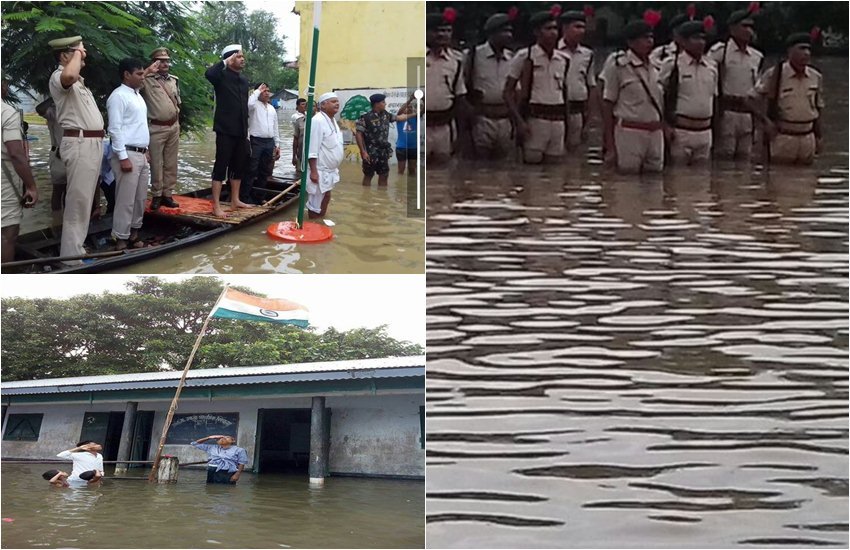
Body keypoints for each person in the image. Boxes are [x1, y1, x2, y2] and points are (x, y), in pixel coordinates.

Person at [47, 35, 105, 265]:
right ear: (64, 56)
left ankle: (75, 249)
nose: (84, 55)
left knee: (84, 200)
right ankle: (71, 258)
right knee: (78, 202)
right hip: (80, 143)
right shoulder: (59, 77)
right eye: (79, 52)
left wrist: (78, 52)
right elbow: (68, 75)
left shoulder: (79, 83)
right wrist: (77, 52)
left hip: (90, 144)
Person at [504, 7, 570, 164]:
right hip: (534, 119)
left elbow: (565, 92)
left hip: (558, 120)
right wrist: (519, 121)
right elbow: (508, 92)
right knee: (532, 169)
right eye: (548, 29)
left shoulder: (564, 59)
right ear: (536, 32)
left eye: (555, 28)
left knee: (555, 171)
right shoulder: (524, 56)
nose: (553, 33)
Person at [600, 14, 665, 174]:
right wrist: (609, 145)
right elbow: (608, 104)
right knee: (627, 186)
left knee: (655, 184)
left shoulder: (657, 66)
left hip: (655, 133)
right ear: (630, 42)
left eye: (650, 37)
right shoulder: (618, 65)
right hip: (629, 132)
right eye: (644, 38)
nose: (649, 41)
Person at [107, 57, 156, 250]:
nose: (143, 77)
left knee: (140, 198)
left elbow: (139, 126)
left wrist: (146, 151)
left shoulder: (137, 95)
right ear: (127, 75)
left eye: (143, 73)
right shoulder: (118, 96)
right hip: (127, 153)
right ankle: (120, 238)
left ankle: (134, 234)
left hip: (140, 153)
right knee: (125, 200)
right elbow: (115, 128)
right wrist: (122, 156)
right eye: (139, 74)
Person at [756, 31, 824, 165]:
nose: (806, 53)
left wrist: (819, 136)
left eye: (809, 49)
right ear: (790, 51)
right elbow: (751, 99)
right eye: (802, 48)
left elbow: (818, 108)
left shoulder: (815, 76)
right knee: (778, 179)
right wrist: (765, 122)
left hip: (807, 136)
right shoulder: (775, 74)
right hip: (783, 136)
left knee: (806, 181)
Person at [658, 19, 718, 166]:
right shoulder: (672, 64)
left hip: (705, 131)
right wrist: (665, 125)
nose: (701, 42)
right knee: (678, 178)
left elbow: (714, 97)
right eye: (695, 38)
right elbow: (659, 97)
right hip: (680, 131)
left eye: (703, 38)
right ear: (683, 42)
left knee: (702, 181)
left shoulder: (712, 66)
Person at [708, 6, 763, 160]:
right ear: (732, 29)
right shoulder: (720, 51)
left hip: (748, 114)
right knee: (724, 157)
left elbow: (758, 89)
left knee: (745, 159)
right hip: (726, 112)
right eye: (744, 26)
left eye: (751, 26)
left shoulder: (756, 56)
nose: (748, 30)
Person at [205, 44, 250, 218]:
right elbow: (209, 74)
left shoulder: (244, 80)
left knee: (238, 166)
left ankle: (235, 200)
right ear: (230, 59)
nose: (242, 59)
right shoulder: (220, 76)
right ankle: (216, 205)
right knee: (220, 167)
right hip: (225, 130)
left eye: (242, 56)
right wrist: (224, 62)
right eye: (239, 56)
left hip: (241, 130)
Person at [465, 12, 515, 159]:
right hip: (481, 118)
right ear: (492, 33)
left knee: (504, 168)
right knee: (479, 164)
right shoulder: (472, 55)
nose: (509, 35)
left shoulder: (512, 58)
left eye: (510, 31)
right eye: (504, 31)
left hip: (505, 118)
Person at [2, 79, 39, 263]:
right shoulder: (6, 112)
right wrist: (31, 186)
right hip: (4, 180)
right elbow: (16, 154)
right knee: (7, 236)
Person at [139, 47, 181, 210]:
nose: (164, 63)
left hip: (173, 126)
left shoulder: (174, 80)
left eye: (167, 60)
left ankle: (167, 194)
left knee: (171, 163)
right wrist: (149, 71)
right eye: (160, 60)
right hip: (156, 127)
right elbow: (133, 84)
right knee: (156, 163)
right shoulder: (147, 79)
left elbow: (177, 102)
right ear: (154, 62)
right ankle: (156, 195)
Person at [426, 8, 467, 164]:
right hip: (418, 126)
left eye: (447, 30)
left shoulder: (456, 60)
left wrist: (461, 135)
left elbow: (460, 97)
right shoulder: (412, 57)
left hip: (444, 127)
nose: (442, 35)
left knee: (443, 175)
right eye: (437, 31)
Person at [355, 93, 415, 187]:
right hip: (370, 152)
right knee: (369, 175)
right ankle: (366, 197)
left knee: (384, 174)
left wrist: (415, 114)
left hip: (383, 151)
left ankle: (382, 197)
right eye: (383, 102)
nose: (385, 104)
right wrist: (363, 152)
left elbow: (399, 117)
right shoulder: (365, 118)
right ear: (376, 104)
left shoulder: (386, 115)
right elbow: (358, 134)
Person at [558, 9, 597, 150]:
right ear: (565, 28)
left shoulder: (588, 54)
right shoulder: (554, 52)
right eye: (577, 27)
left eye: (583, 27)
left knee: (574, 154)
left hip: (578, 111)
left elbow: (591, 86)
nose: (581, 31)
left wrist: (590, 117)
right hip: (556, 111)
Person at [307, 92, 344, 218]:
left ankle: (319, 223)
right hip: (319, 170)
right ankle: (312, 224)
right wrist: (313, 171)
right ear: (322, 105)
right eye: (333, 101)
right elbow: (311, 148)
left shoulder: (332, 120)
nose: (337, 103)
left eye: (337, 101)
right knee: (315, 202)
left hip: (330, 170)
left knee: (326, 196)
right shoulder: (317, 121)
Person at [243, 83, 280, 204]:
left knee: (265, 171)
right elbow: (249, 104)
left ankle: (259, 196)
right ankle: (245, 196)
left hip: (269, 142)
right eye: (264, 90)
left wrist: (277, 144)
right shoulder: (254, 106)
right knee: (251, 169)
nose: (267, 93)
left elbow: (275, 128)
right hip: (256, 141)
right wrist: (257, 91)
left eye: (268, 91)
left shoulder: (271, 108)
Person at [34, 96, 67, 231]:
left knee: (71, 191)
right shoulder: (53, 111)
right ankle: (57, 222)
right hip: (58, 154)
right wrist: (55, 96)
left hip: (75, 154)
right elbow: (40, 109)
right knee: (58, 189)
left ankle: (67, 221)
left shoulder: (72, 109)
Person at [396, 93, 418, 176]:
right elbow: (399, 111)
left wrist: (423, 99)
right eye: (407, 107)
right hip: (401, 147)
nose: (409, 108)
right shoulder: (399, 118)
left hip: (413, 147)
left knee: (412, 170)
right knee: (401, 171)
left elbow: (423, 111)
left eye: (411, 107)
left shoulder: (416, 117)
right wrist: (410, 99)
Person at [291, 98, 307, 177]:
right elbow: (296, 137)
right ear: (298, 106)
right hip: (300, 148)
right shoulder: (296, 117)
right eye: (303, 104)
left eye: (306, 104)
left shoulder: (310, 116)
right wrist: (294, 155)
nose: (305, 106)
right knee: (299, 172)